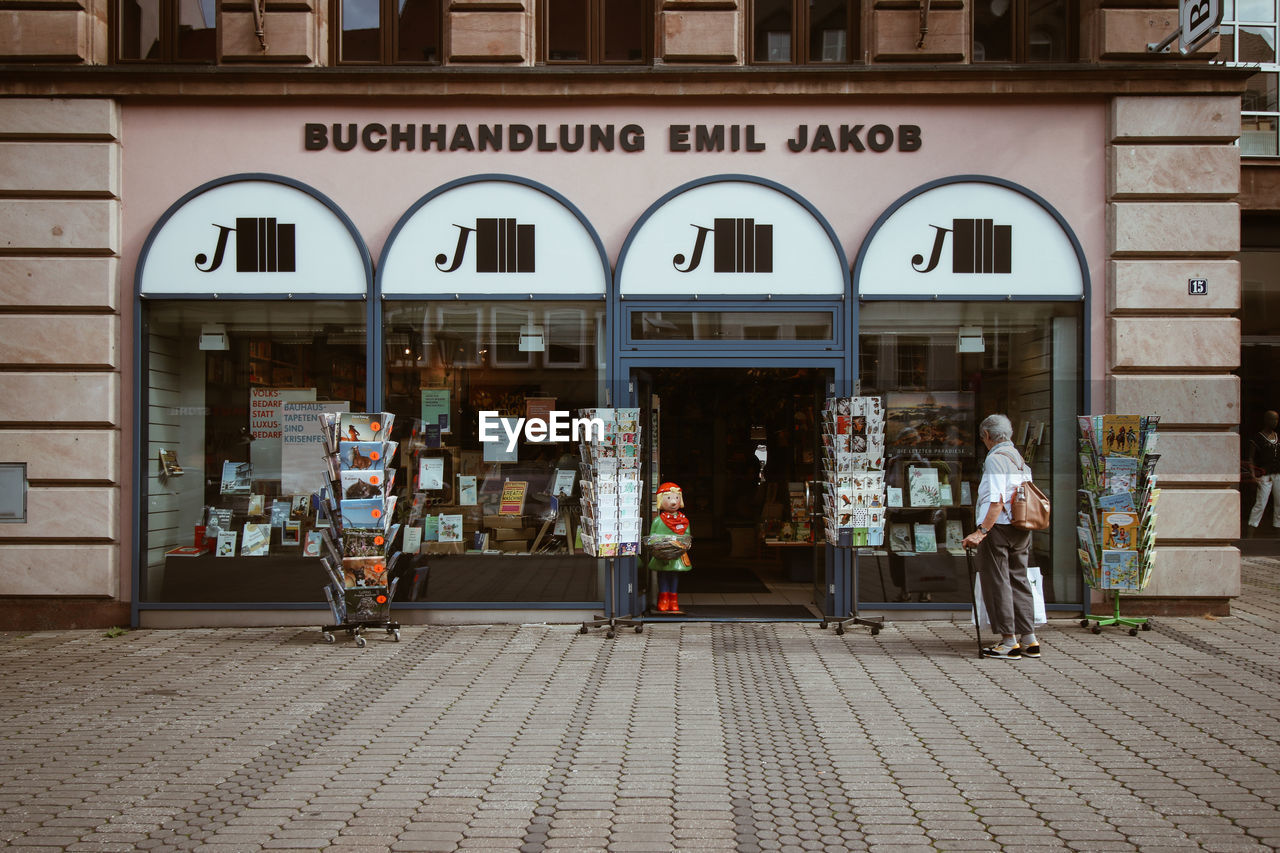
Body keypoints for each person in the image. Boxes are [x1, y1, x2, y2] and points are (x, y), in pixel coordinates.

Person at [961, 413, 1038, 659]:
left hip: (999, 528)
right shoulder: (1018, 457)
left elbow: (996, 500)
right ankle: (1029, 639)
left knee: (998, 582)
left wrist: (980, 532)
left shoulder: (995, 459)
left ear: (986, 436)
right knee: (1019, 579)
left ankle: (1008, 641)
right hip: (1020, 526)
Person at [647, 482, 692, 613]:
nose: (673, 502)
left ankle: (673, 599)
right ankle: (663, 598)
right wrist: (662, 543)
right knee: (662, 575)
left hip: (677, 555)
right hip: (662, 554)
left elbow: (687, 535)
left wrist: (680, 543)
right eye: (669, 498)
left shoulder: (684, 520)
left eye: (676, 498)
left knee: (674, 575)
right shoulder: (658, 521)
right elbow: (652, 537)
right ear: (662, 500)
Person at [1245, 410, 1280, 537]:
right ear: (1266, 420)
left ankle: (1277, 536)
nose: (1275, 422)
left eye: (1276, 419)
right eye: (1272, 419)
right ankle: (1249, 536)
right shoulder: (1258, 438)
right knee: (1260, 503)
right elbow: (1251, 458)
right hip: (1265, 475)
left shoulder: (1277, 436)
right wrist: (1253, 475)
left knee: (1279, 504)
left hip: (1278, 475)